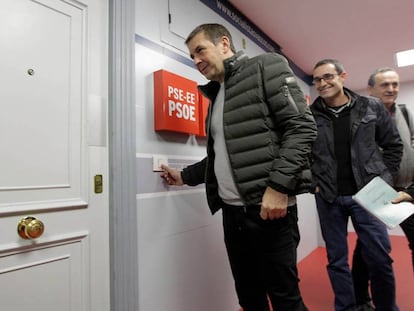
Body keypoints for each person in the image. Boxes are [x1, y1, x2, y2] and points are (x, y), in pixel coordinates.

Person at [160, 23, 317, 311]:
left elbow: (301, 127)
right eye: (192, 55)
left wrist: (278, 187)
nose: (196, 61)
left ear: (223, 43)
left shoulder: (266, 65)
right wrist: (183, 176)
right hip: (232, 216)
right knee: (248, 297)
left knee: (285, 300)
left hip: (270, 211)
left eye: (200, 50)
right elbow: (222, 157)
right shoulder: (217, 95)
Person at [309, 59, 403, 311]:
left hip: (369, 195)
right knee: (336, 261)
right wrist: (312, 182)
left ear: (342, 76)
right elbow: (303, 153)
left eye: (328, 76)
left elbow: (394, 145)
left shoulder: (370, 106)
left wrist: (384, 180)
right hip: (329, 197)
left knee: (380, 258)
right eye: (317, 80)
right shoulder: (310, 115)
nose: (322, 83)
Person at [351, 68, 414, 310]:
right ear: (370, 89)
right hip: (377, 192)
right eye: (385, 84)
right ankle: (361, 298)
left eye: (395, 84)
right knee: (369, 249)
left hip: (406, 190)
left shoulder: (406, 114)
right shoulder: (361, 117)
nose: (391, 89)